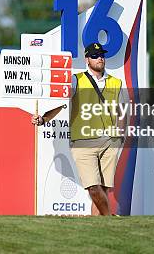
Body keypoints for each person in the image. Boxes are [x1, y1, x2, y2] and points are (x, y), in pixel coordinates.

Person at [31, 42, 125, 216]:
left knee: (104, 189)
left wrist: (120, 134)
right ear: (87, 59)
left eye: (102, 55)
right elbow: (60, 104)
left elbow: (121, 110)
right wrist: (44, 118)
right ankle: (109, 219)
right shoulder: (76, 79)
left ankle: (98, 228)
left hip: (110, 141)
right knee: (93, 187)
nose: (100, 58)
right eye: (95, 56)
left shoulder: (116, 82)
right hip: (83, 141)